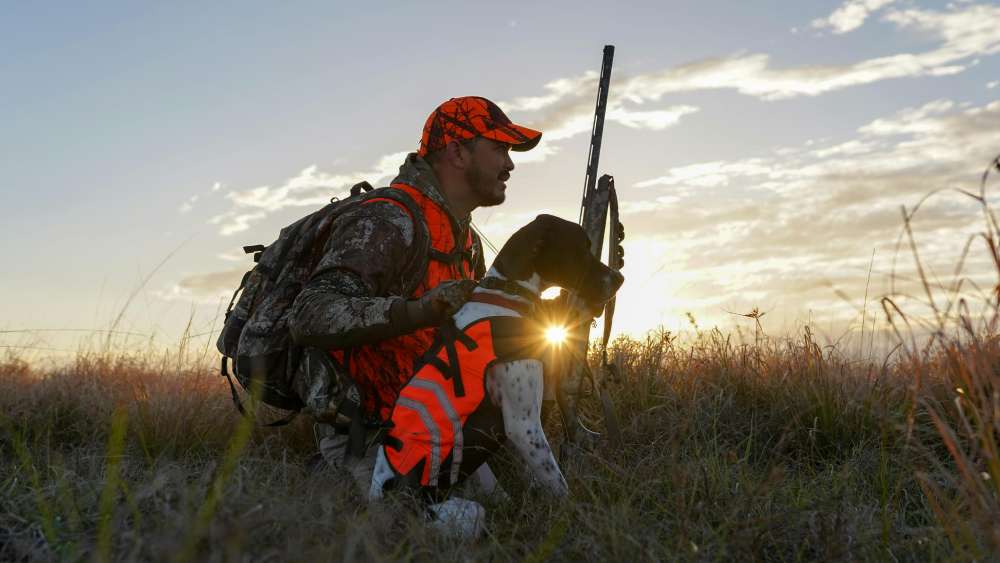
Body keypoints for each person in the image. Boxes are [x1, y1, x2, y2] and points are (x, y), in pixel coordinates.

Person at [287, 96, 542, 478]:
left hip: (436, 420)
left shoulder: (463, 239)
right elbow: (310, 313)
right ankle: (333, 473)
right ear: (458, 152)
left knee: (507, 490)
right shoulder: (389, 219)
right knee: (424, 519)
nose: (509, 164)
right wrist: (418, 310)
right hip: (369, 426)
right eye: (498, 147)